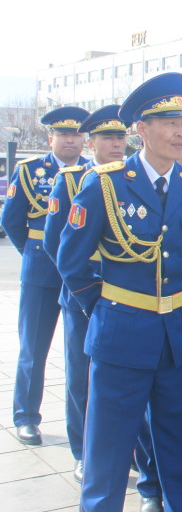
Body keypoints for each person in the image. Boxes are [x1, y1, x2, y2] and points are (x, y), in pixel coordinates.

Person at [57, 73, 182, 512]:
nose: (180, 133)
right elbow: (71, 261)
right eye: (169, 123)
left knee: (180, 452)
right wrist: (108, 309)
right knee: (106, 456)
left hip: (178, 337)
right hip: (121, 336)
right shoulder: (105, 184)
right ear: (141, 129)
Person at [42, 105, 126, 484]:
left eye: (121, 137)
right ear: (90, 143)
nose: (116, 144)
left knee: (124, 377)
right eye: (108, 138)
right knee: (81, 376)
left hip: (125, 295)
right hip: (84, 294)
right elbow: (55, 243)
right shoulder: (74, 180)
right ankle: (82, 451)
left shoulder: (130, 180)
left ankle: (124, 448)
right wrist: (86, 292)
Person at [2, 106, 90, 448]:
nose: (70, 141)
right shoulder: (30, 171)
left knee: (80, 356)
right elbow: (12, 222)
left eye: (76, 135)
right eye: (63, 134)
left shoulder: (94, 172)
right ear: (50, 137)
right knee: (33, 349)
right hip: (41, 271)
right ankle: (26, 417)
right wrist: (35, 254)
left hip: (81, 274)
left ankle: (83, 427)